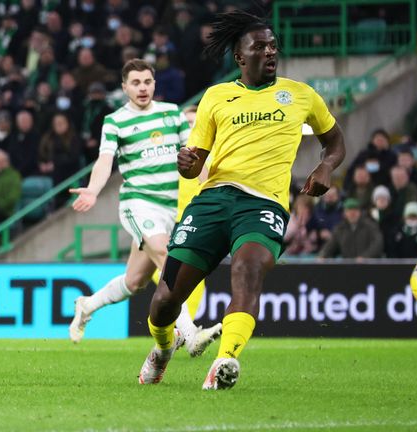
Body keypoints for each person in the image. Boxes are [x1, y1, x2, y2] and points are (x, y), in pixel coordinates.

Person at [139, 11, 345, 390]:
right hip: (213, 200)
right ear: (239, 57)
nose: (270, 52)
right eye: (260, 46)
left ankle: (225, 361)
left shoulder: (301, 95)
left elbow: (334, 141)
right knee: (165, 302)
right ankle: (162, 350)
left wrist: (326, 167)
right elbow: (194, 162)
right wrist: (186, 163)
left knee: (247, 272)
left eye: (273, 46)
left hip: (264, 205)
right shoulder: (216, 97)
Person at [68, 58, 221, 357]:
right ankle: (190, 334)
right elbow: (105, 160)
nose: (142, 88)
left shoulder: (172, 114)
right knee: (167, 255)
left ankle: (87, 305)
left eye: (147, 82)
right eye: (135, 83)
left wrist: (211, 184)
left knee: (134, 281)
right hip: (138, 203)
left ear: (154, 84)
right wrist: (94, 189)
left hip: (167, 208)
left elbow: (192, 157)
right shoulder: (115, 121)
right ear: (124, 87)